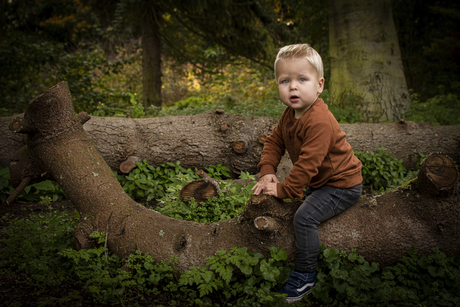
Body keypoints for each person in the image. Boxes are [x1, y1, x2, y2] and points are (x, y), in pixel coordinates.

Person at [252, 43, 363, 304]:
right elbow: (273, 142)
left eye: (302, 79)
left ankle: (305, 276)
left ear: (319, 84)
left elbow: (307, 165)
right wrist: (267, 171)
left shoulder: (319, 121)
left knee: (303, 218)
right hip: (322, 182)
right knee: (302, 205)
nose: (293, 86)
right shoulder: (289, 115)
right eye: (285, 80)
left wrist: (284, 189)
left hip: (341, 184)